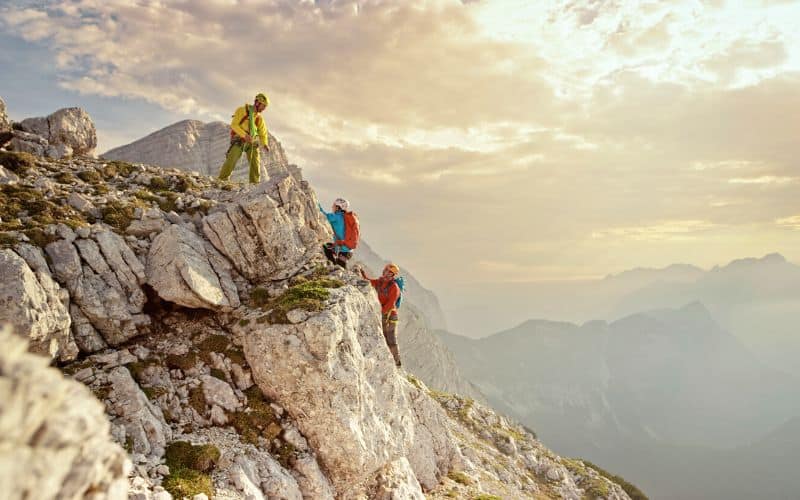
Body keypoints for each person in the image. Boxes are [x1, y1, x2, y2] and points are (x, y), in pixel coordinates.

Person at [218, 93, 270, 184]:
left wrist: (265, 143)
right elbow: (234, 125)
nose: (264, 109)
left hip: (252, 142)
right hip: (239, 140)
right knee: (231, 161)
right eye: (263, 106)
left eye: (265, 107)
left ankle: (254, 184)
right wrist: (244, 135)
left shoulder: (259, 118)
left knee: (255, 164)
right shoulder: (241, 110)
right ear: (257, 103)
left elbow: (263, 132)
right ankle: (221, 181)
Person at [360, 263, 402, 367]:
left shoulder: (394, 288)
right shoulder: (380, 282)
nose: (385, 272)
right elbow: (369, 282)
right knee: (382, 335)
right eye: (385, 270)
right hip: (382, 312)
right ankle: (387, 358)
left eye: (388, 271)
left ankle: (397, 362)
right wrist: (362, 274)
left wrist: (380, 313)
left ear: (392, 274)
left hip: (390, 315)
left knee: (390, 338)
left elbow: (391, 303)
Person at [319, 198, 359, 269]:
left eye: (334, 205)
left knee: (341, 271)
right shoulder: (344, 217)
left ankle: (333, 266)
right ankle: (333, 265)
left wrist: (317, 204)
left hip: (343, 251)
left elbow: (323, 215)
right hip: (348, 250)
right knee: (327, 247)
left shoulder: (336, 217)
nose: (332, 207)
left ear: (338, 207)